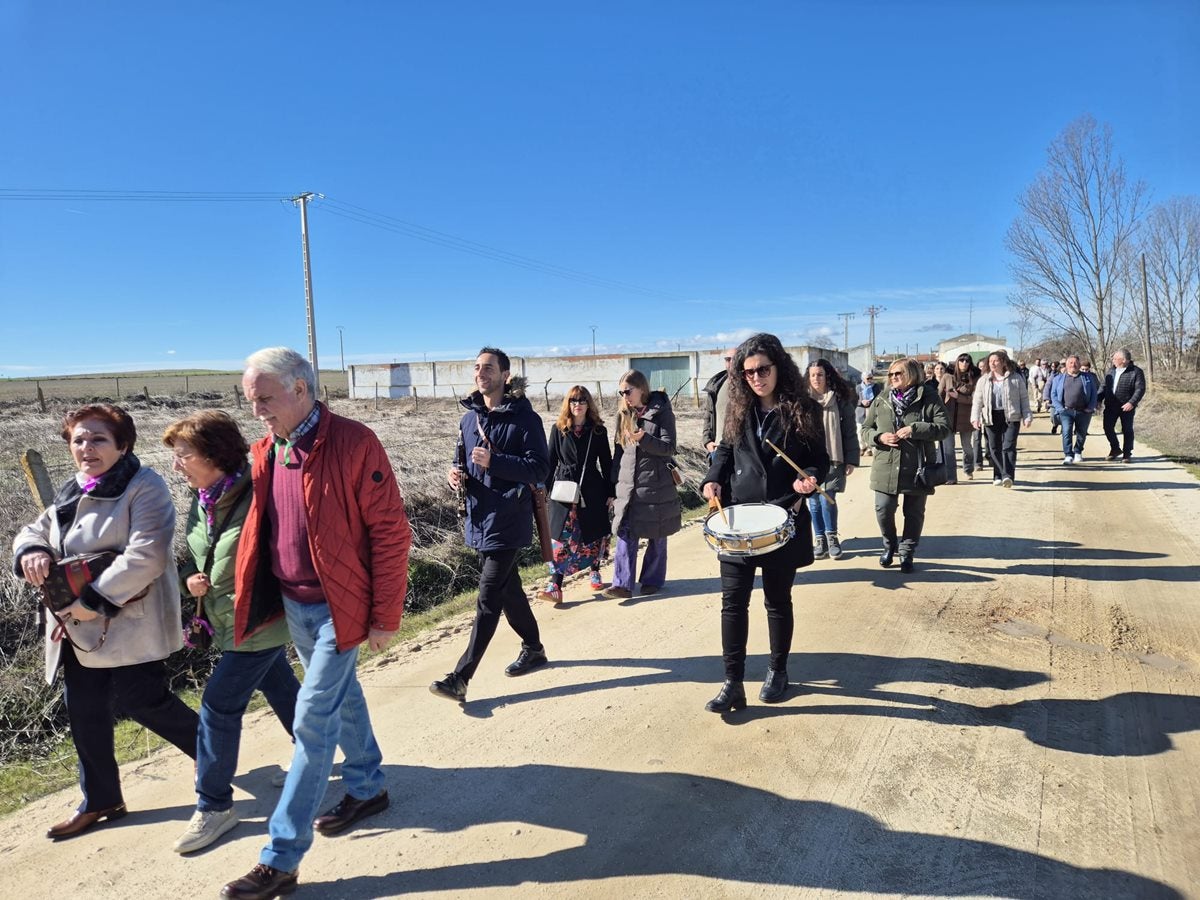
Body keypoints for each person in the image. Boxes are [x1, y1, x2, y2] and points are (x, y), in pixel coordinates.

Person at [223, 347, 412, 900]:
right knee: (340, 695)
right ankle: (368, 786)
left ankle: (280, 857)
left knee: (311, 721)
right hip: (295, 606)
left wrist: (384, 616)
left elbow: (390, 533)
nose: (256, 409)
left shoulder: (355, 444)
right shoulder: (268, 450)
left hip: (341, 610)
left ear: (301, 389)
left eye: (265, 398)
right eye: (250, 399)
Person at [12, 404, 198, 840]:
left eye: (98, 439)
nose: (86, 448)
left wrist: (92, 602)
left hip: (127, 620)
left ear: (123, 444)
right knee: (85, 712)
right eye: (78, 439)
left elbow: (146, 555)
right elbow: (35, 530)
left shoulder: (144, 486)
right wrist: (31, 552)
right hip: (76, 628)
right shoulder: (73, 488)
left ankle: (216, 759)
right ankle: (101, 800)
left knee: (144, 701)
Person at [162, 410, 301, 854]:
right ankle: (312, 751)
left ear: (214, 454)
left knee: (218, 706)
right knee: (279, 682)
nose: (176, 464)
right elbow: (197, 556)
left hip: (259, 617)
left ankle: (215, 804)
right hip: (227, 616)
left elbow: (286, 550)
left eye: (183, 455)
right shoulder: (202, 499)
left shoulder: (260, 493)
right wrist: (190, 578)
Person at [701, 333, 828, 711]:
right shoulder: (738, 408)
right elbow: (724, 451)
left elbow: (819, 458)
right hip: (739, 518)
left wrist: (807, 476)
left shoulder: (802, 408)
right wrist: (712, 477)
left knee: (776, 601)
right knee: (733, 603)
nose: (756, 377)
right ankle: (732, 681)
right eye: (749, 372)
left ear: (778, 366)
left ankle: (778, 670)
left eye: (763, 369)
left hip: (781, 516)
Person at [431, 347, 552, 703]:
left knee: (487, 597)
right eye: (477, 368)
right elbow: (461, 457)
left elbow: (539, 468)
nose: (480, 373)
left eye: (488, 368)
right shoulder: (469, 419)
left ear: (505, 375)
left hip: (510, 519)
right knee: (508, 590)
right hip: (478, 518)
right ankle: (534, 647)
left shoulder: (524, 418)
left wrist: (495, 461)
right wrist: (454, 473)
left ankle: (461, 677)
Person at [862, 358, 950, 573]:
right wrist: (879, 437)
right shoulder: (882, 398)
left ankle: (907, 552)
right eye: (891, 374)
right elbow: (866, 429)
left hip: (917, 466)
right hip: (886, 464)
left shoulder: (928, 396)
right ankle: (889, 546)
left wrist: (915, 429)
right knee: (883, 509)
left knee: (914, 513)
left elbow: (944, 428)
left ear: (911, 374)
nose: (893, 378)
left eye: (898, 374)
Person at [604, 369, 683, 599]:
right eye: (621, 392)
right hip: (628, 485)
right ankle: (622, 584)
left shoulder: (662, 413)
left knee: (657, 532)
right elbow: (618, 453)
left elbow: (669, 447)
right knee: (625, 531)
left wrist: (644, 439)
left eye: (628, 391)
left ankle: (652, 580)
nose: (625, 396)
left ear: (641, 389)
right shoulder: (623, 414)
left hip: (656, 483)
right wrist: (613, 486)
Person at [538, 386, 615, 602]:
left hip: (591, 489)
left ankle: (594, 569)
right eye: (573, 401)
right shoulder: (559, 429)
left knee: (592, 532)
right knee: (562, 537)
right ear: (567, 404)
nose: (577, 405)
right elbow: (550, 461)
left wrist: (611, 491)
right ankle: (556, 584)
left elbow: (606, 463)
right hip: (563, 491)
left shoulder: (598, 430)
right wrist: (543, 488)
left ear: (588, 403)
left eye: (581, 400)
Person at [806, 359, 859, 559]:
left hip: (834, 457)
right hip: (809, 461)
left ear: (827, 376)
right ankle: (819, 539)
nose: (816, 379)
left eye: (820, 374)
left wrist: (851, 459)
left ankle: (831, 538)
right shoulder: (803, 400)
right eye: (812, 375)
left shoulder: (840, 399)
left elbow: (849, 431)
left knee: (828, 499)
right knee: (813, 502)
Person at [971, 349, 1033, 488]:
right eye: (990, 361)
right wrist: (975, 418)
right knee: (994, 448)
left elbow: (1024, 398)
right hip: (991, 416)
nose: (992, 363)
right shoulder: (984, 380)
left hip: (1011, 416)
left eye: (996, 361)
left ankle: (1008, 476)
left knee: (1008, 447)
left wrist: (1027, 415)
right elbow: (977, 401)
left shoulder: (1015, 378)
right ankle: (998, 475)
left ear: (1003, 362)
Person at [1048, 355, 1098, 465]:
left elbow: (1094, 393)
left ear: (1079, 365)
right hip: (1066, 411)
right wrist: (1060, 408)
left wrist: (1090, 407)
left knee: (1082, 433)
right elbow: (1054, 395)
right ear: (1066, 365)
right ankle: (1068, 455)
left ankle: (1078, 452)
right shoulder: (1058, 379)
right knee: (1066, 432)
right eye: (1070, 363)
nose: (1073, 365)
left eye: (1075, 363)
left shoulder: (1088, 377)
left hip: (1084, 411)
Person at [1101, 348, 1147, 463]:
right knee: (1107, 427)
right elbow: (1103, 386)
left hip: (1127, 406)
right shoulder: (1111, 371)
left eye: (1116, 358)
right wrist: (1097, 399)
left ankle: (1127, 453)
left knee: (1127, 429)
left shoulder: (1136, 372)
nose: (1113, 360)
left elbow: (1140, 389)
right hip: (1111, 405)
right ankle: (1115, 448)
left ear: (1124, 360)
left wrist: (1132, 402)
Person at [945, 355, 981, 480]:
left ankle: (968, 469)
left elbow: (976, 399)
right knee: (949, 448)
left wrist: (958, 397)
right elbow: (939, 393)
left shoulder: (975, 378)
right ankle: (951, 475)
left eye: (967, 361)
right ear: (957, 362)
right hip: (949, 415)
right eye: (961, 360)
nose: (964, 363)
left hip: (966, 416)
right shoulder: (948, 376)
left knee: (967, 447)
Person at [701, 348, 736, 462]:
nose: (731, 362)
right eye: (728, 359)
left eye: (735, 359)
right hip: (718, 449)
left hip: (743, 452)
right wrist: (707, 441)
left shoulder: (750, 385)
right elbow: (708, 415)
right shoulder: (716, 384)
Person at [931, 361, 958, 484]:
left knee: (948, 448)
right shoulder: (929, 383)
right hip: (934, 418)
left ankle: (951, 476)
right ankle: (940, 476)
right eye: (937, 368)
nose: (940, 371)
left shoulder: (949, 379)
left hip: (946, 418)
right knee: (939, 450)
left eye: (942, 368)